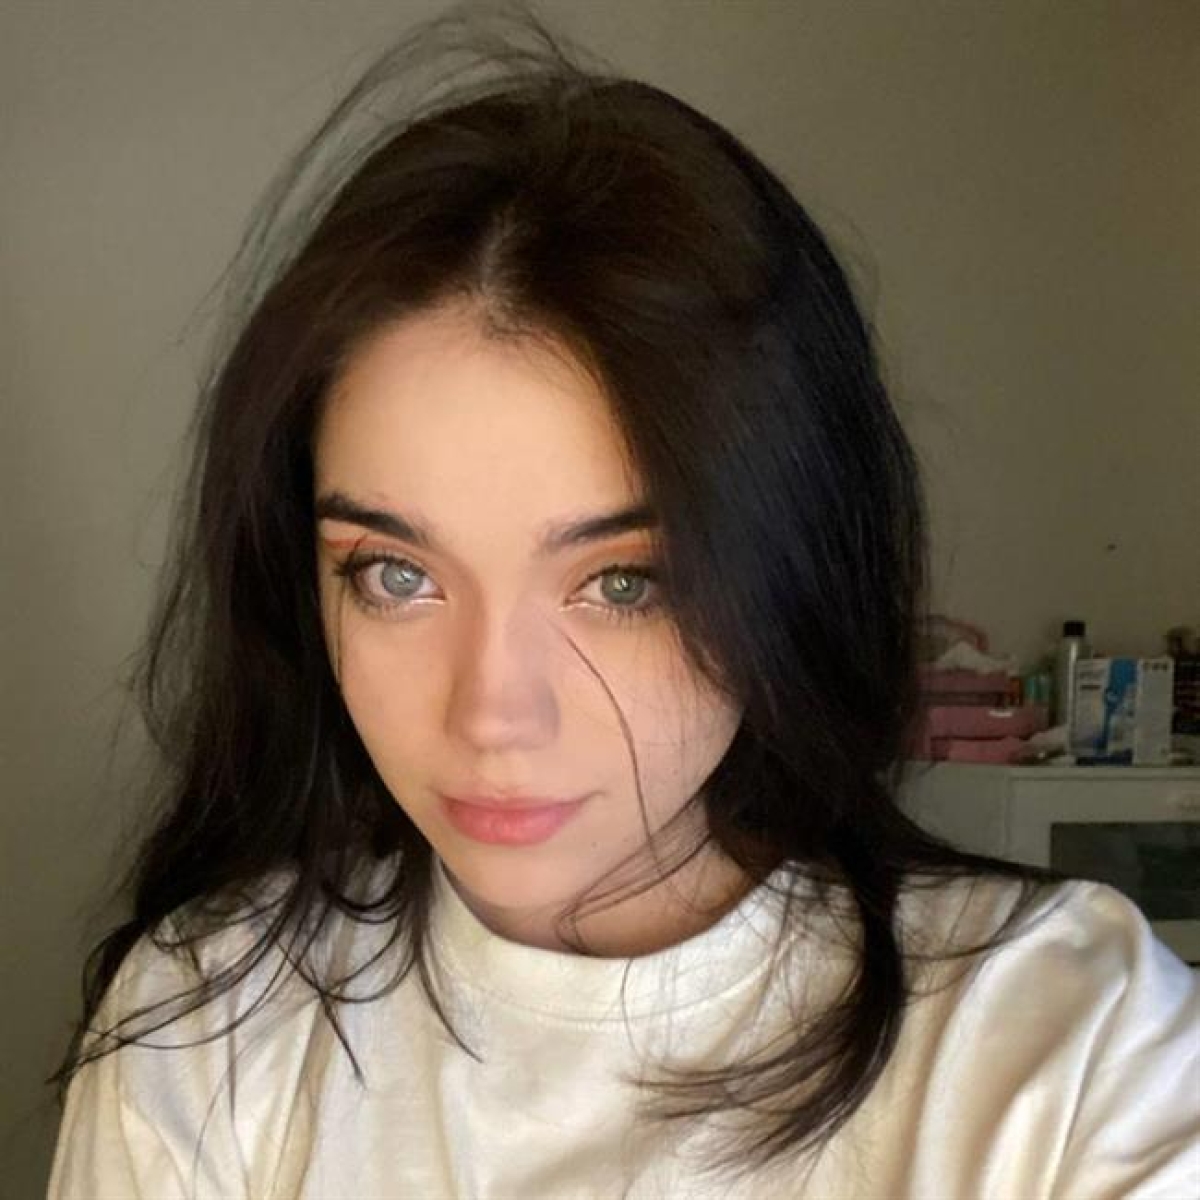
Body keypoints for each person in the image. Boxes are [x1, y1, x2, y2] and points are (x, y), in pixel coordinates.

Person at [46, 5, 1199, 1198]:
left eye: (624, 582)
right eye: (397, 574)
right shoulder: (208, 1031)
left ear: (787, 569)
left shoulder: (1069, 1057)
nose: (493, 714)